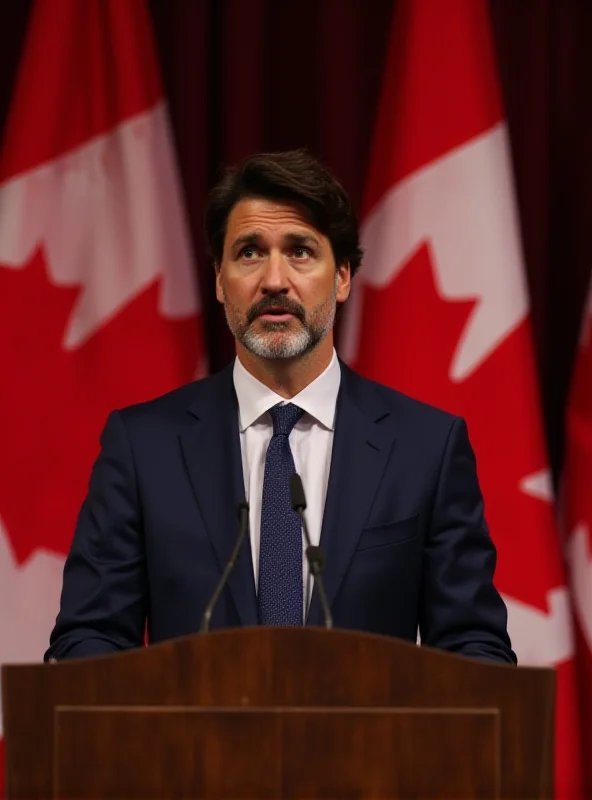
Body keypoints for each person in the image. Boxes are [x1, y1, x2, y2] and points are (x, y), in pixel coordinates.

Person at [45, 149, 516, 664]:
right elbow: (86, 644)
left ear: (341, 278)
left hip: (373, 747)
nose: (273, 280)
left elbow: (475, 650)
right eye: (249, 252)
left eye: (300, 251)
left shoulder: (426, 448)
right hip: (190, 747)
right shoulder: (144, 448)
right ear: (220, 281)